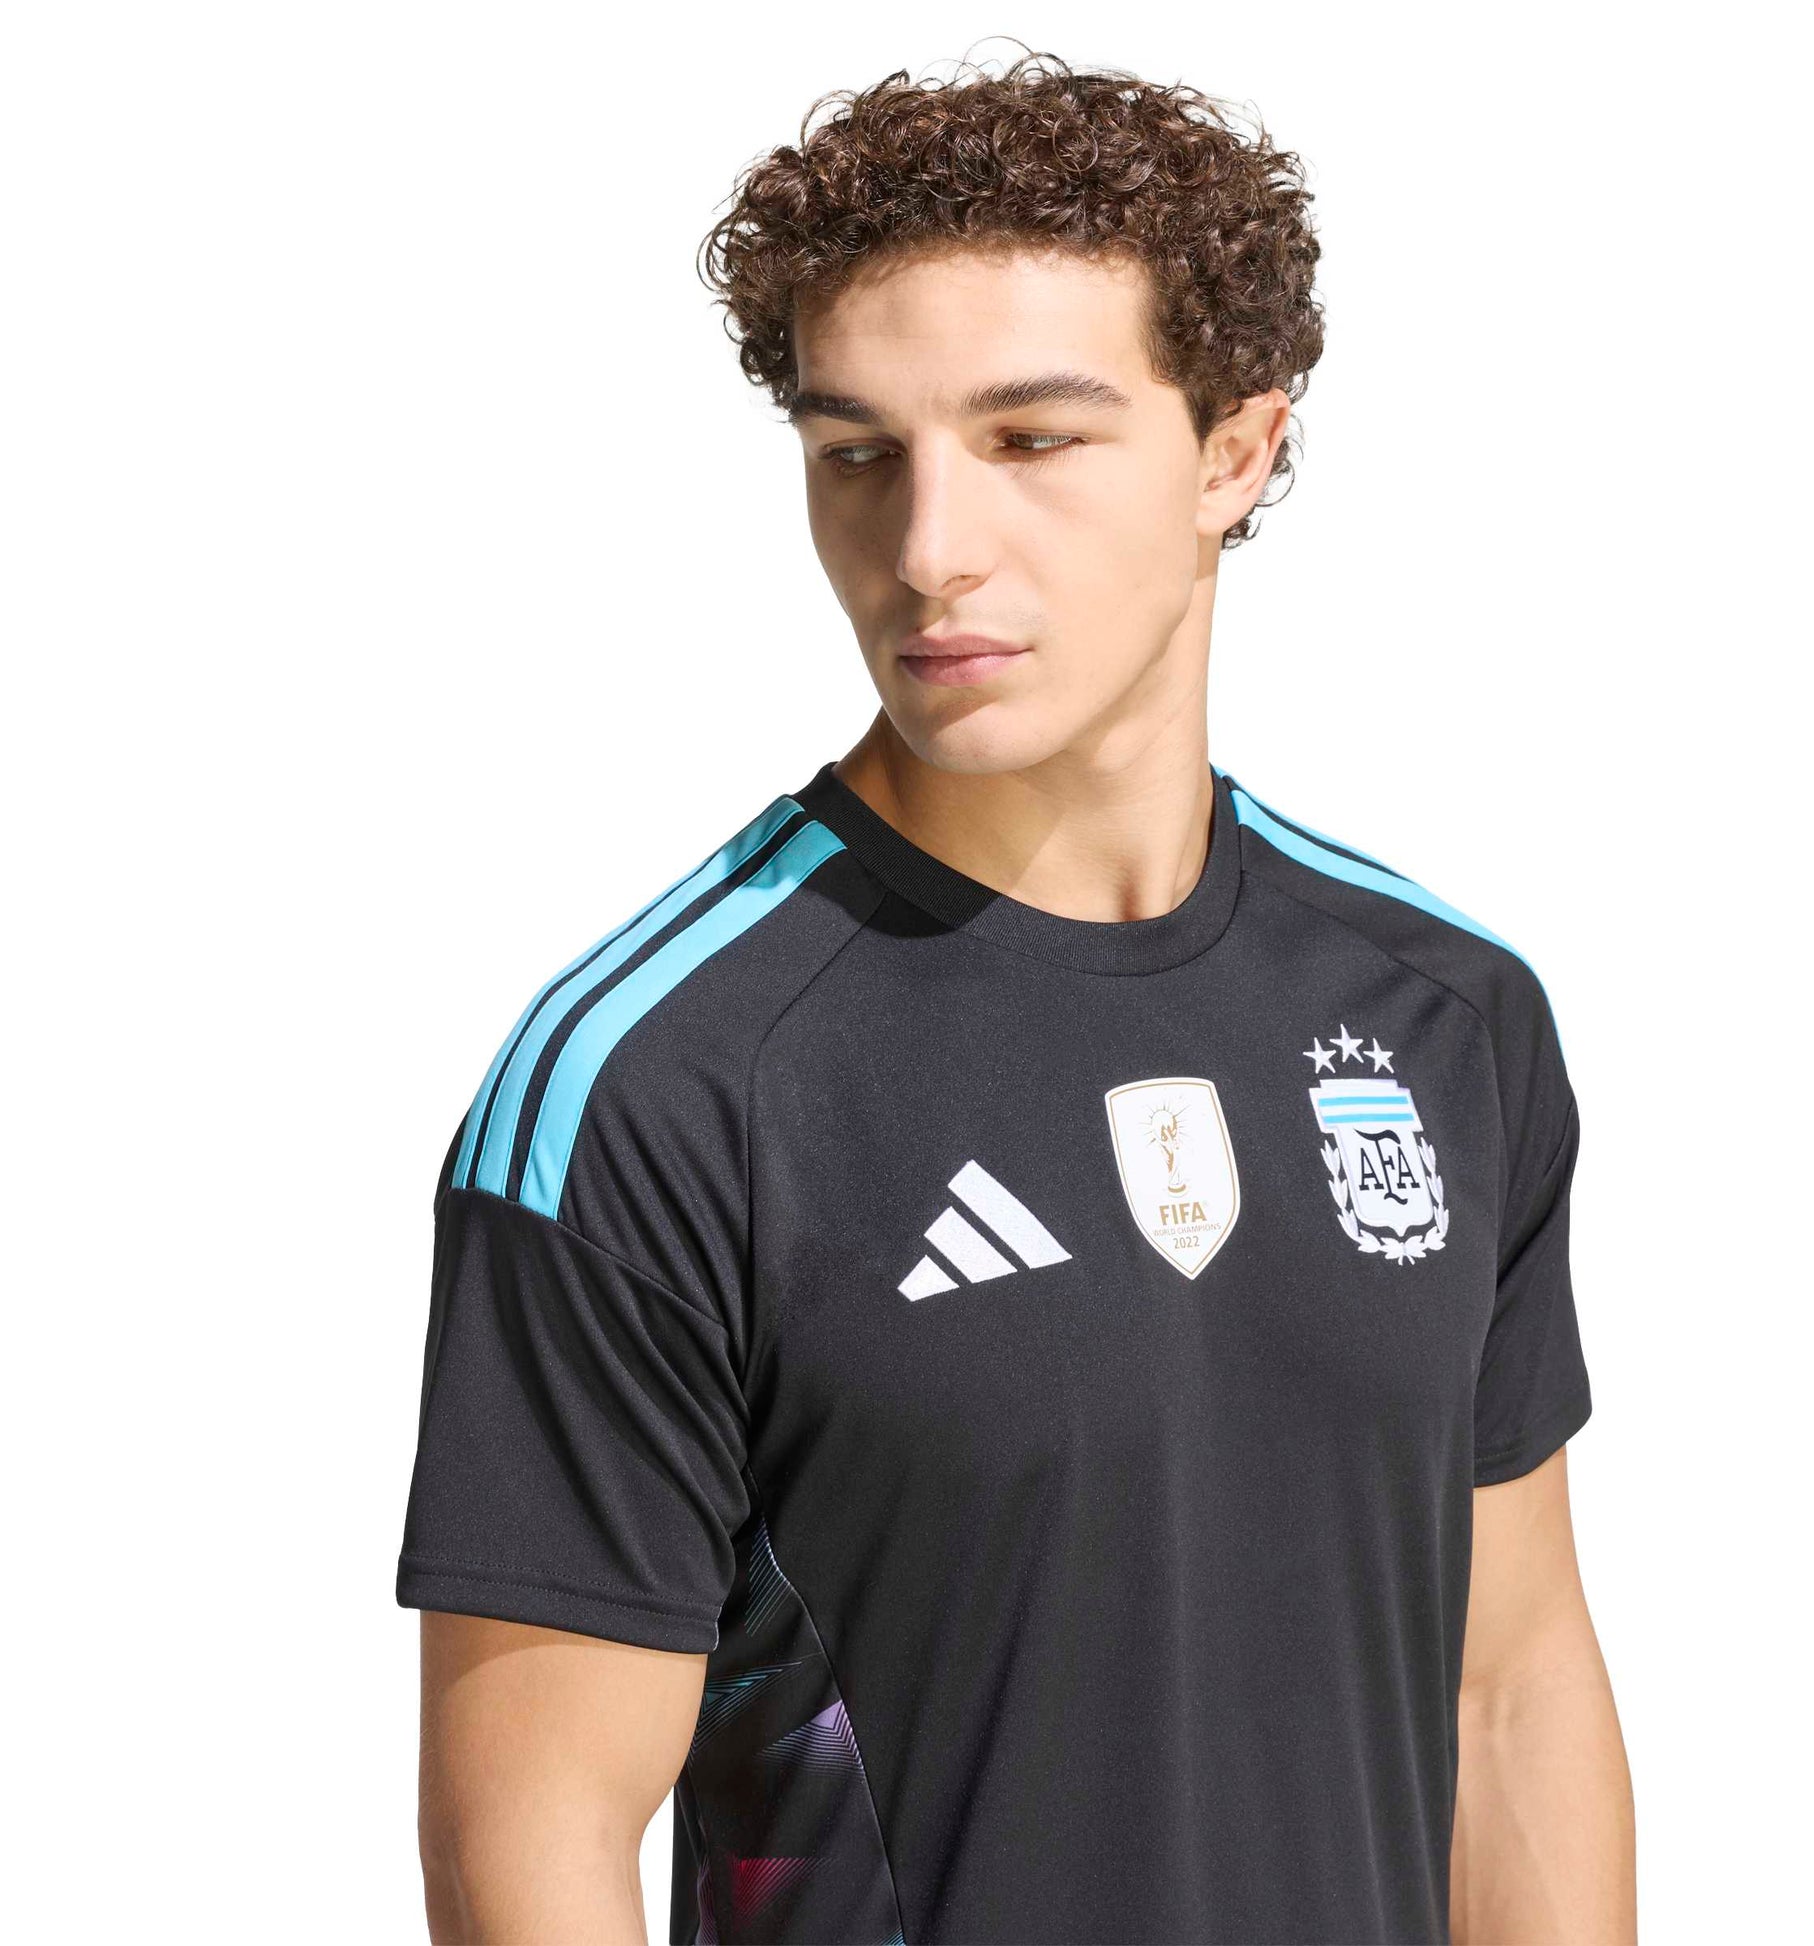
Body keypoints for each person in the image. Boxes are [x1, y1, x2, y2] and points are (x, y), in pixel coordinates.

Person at [397, 49, 1635, 1945]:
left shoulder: (1441, 1014)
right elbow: (532, 1842)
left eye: (1032, 441)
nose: (927, 550)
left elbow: (1508, 1686)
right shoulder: (658, 1083)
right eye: (856, 453)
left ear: (1233, 452)